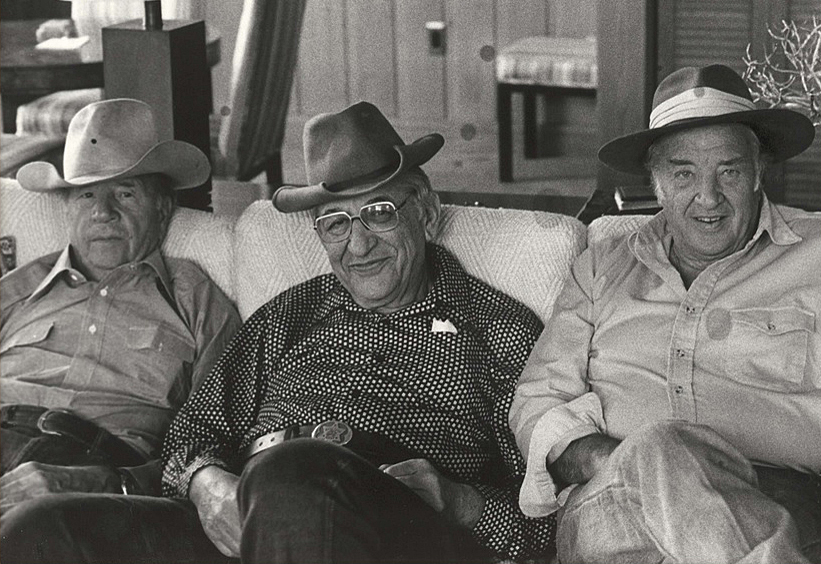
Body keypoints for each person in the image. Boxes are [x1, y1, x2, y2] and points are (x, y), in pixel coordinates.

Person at [1, 101, 556, 563]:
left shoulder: (499, 330)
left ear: (428, 213)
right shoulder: (291, 314)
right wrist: (205, 482)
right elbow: (190, 431)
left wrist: (460, 503)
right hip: (250, 519)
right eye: (336, 223)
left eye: (380, 212)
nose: (358, 246)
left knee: (293, 468)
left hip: (389, 526)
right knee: (43, 528)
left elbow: (550, 517)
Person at [509, 63, 821, 563]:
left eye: (729, 170)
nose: (708, 197)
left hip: (779, 503)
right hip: (610, 505)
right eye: (683, 173)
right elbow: (536, 404)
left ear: (759, 171)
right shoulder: (601, 271)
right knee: (658, 447)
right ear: (656, 182)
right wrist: (624, 460)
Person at [0, 99, 241, 511]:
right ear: (67, 207)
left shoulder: (196, 300)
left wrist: (113, 481)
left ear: (163, 208)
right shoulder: (21, 287)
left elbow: (217, 435)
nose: (102, 212)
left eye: (124, 193)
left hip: (90, 465)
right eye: (87, 194)